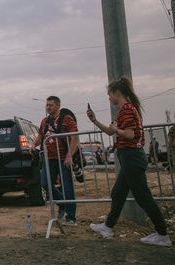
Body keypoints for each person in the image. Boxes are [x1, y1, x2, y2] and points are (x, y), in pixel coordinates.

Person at [87, 77, 171, 247]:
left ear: (117, 93)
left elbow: (130, 134)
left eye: (109, 94)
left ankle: (163, 234)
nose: (109, 98)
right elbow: (112, 133)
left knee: (142, 196)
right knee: (118, 193)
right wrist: (95, 121)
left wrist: (116, 129)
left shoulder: (127, 110)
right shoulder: (126, 110)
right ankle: (108, 227)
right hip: (129, 157)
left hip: (131, 156)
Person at [31, 96, 78, 226]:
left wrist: (69, 156)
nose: (48, 107)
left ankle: (71, 217)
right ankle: (62, 203)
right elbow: (41, 135)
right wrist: (34, 144)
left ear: (58, 106)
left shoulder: (67, 119)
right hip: (49, 158)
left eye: (51, 105)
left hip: (63, 158)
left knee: (68, 187)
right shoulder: (44, 121)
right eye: (47, 105)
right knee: (45, 183)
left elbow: (74, 138)